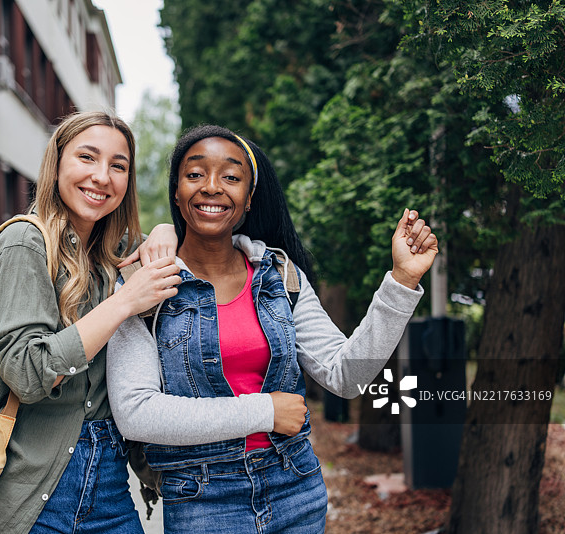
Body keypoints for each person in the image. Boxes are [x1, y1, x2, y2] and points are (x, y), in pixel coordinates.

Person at [107, 124, 438, 533]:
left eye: (231, 177)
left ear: (248, 200)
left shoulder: (281, 275)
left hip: (294, 490)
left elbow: (346, 374)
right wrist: (264, 411)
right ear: (177, 191)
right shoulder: (143, 283)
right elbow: (136, 414)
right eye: (195, 174)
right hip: (203, 504)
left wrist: (401, 282)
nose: (212, 187)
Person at [0, 111, 183, 534]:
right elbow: (25, 373)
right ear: (57, 163)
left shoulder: (110, 255)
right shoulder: (24, 243)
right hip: (27, 494)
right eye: (87, 157)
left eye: (118, 165)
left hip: (110, 485)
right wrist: (123, 303)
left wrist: (164, 230)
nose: (102, 176)